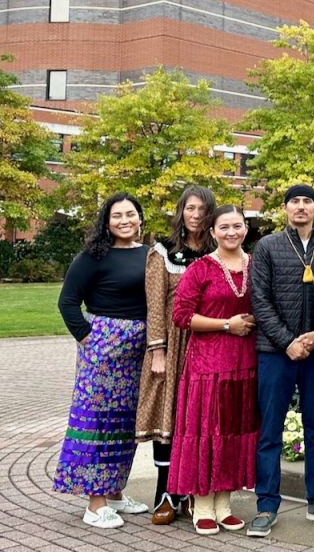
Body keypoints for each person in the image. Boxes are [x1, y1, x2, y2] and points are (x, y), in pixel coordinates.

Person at [53, 193, 151, 529]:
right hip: (103, 352)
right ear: (106, 222)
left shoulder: (149, 255)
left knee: (126, 424)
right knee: (97, 423)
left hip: (138, 351)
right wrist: (90, 339)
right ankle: (95, 504)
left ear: (140, 218)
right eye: (116, 216)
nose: (124, 220)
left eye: (130, 214)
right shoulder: (92, 257)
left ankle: (114, 493)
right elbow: (67, 303)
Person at [246, 184, 314, 538]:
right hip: (275, 354)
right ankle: (266, 505)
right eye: (294, 202)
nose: (301, 207)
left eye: (307, 202)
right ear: (284, 208)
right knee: (269, 430)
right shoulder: (267, 246)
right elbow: (259, 300)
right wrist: (287, 342)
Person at [168, 204, 258, 535]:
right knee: (206, 431)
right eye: (224, 227)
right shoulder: (201, 269)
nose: (231, 232)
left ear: (246, 229)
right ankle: (202, 503)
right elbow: (181, 315)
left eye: (237, 226)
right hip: (207, 365)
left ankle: (224, 502)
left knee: (232, 433)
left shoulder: (256, 266)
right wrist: (225, 325)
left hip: (243, 364)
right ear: (212, 232)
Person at [135, 184, 216, 524]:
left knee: (197, 417)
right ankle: (166, 492)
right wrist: (157, 350)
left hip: (208, 343)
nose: (195, 215)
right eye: (190, 208)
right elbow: (154, 305)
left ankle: (194, 493)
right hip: (171, 341)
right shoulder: (162, 252)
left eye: (202, 209)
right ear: (181, 211)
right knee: (168, 417)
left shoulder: (218, 251)